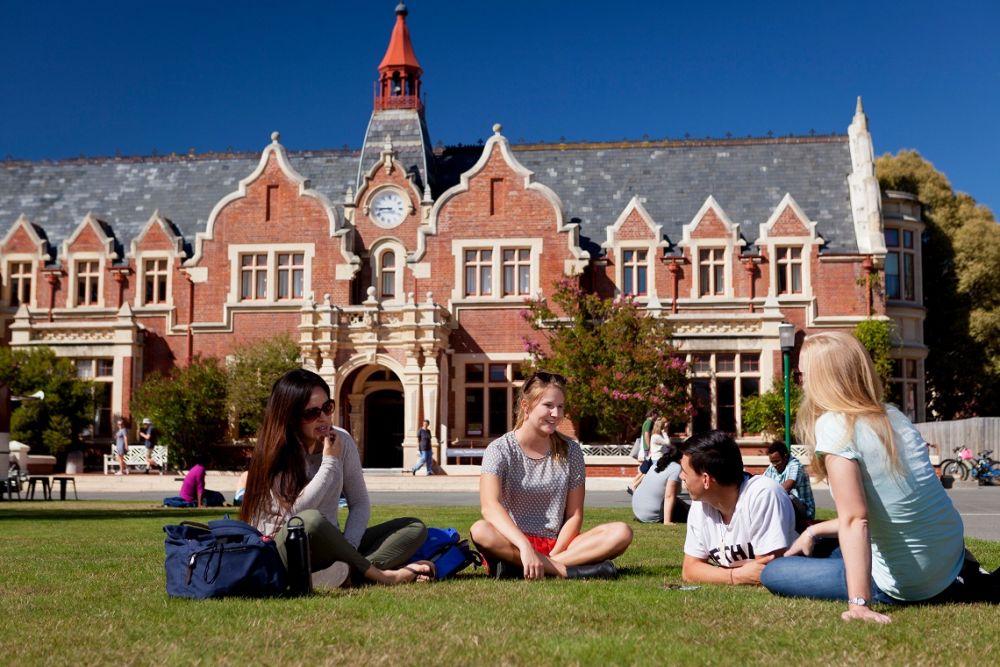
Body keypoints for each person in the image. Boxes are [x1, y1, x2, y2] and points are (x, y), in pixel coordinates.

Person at [761, 331, 1000, 623]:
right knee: (822, 547)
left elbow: (856, 519)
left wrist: (858, 603)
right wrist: (813, 530)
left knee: (774, 572)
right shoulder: (893, 417)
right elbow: (891, 508)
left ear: (823, 380)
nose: (802, 384)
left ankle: (870, 591)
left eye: (803, 376)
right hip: (950, 559)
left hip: (910, 582)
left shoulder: (835, 425)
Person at [240, 368, 434, 589]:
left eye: (327, 407)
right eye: (311, 413)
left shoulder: (341, 440)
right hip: (280, 547)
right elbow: (295, 515)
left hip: (331, 546)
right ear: (291, 418)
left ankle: (341, 572)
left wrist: (347, 548)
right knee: (310, 520)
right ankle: (382, 576)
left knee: (413, 528)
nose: (323, 417)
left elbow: (359, 503)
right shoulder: (274, 451)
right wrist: (329, 462)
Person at [470, 371, 633, 580]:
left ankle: (532, 568)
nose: (556, 414)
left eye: (561, 407)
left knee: (621, 532)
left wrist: (554, 555)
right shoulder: (500, 449)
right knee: (480, 530)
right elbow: (490, 507)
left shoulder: (571, 451)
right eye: (548, 405)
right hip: (512, 542)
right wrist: (525, 547)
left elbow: (575, 515)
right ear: (526, 406)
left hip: (560, 545)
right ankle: (565, 570)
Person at [680, 430, 797, 586]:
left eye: (685, 471)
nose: (681, 476)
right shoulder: (700, 503)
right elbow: (689, 570)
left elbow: (769, 572)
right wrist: (736, 576)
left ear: (706, 480)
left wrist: (713, 573)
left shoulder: (763, 494)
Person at [762, 441, 815, 532]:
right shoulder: (772, 467)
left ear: (785, 457)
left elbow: (787, 487)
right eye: (772, 462)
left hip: (803, 510)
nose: (774, 465)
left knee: (787, 497)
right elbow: (763, 484)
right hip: (787, 508)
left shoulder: (795, 465)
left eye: (777, 461)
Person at [632, 443, 689, 524]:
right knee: (690, 512)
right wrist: (667, 522)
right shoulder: (676, 467)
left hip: (638, 512)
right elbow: (669, 496)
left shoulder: (657, 464)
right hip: (650, 514)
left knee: (679, 502)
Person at [628, 415, 663, 495]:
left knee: (643, 471)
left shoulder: (646, 423)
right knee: (647, 471)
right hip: (649, 452)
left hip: (647, 452)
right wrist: (648, 448)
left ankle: (632, 485)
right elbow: (647, 435)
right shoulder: (649, 423)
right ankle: (634, 486)